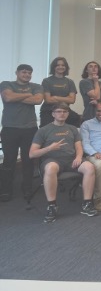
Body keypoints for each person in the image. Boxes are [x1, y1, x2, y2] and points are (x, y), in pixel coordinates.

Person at [29, 102, 97, 222]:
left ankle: (87, 203)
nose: (62, 114)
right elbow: (32, 153)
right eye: (59, 111)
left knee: (89, 167)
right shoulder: (44, 130)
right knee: (50, 168)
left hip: (71, 160)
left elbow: (78, 147)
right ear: (53, 114)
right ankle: (52, 205)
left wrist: (79, 157)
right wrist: (49, 148)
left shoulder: (72, 129)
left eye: (65, 112)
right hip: (52, 160)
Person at [0, 64, 43, 201]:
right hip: (9, 128)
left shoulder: (36, 86)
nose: (27, 75)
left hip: (29, 129)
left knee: (28, 160)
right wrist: (27, 95)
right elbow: (7, 98)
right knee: (9, 160)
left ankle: (27, 188)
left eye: (29, 73)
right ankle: (6, 190)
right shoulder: (6, 84)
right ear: (17, 73)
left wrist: (16, 96)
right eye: (24, 72)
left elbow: (38, 100)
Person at [40, 57, 80, 127]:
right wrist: (65, 98)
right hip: (48, 111)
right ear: (54, 67)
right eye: (58, 65)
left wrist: (55, 97)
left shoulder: (70, 82)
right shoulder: (46, 81)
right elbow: (48, 100)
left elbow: (72, 100)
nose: (60, 67)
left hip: (64, 110)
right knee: (47, 132)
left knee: (77, 119)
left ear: (66, 67)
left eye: (63, 65)